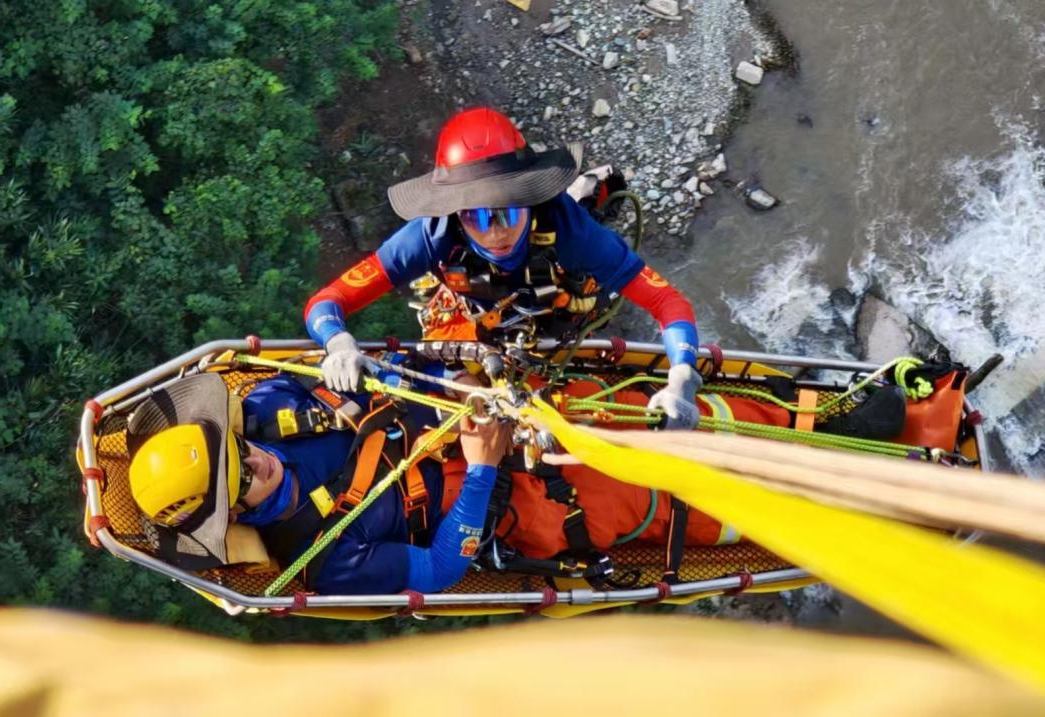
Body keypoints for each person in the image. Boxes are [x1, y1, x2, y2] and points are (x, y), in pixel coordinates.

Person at [127, 374, 745, 595]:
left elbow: (368, 385)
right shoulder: (323, 557)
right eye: (242, 478)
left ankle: (788, 423)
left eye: (238, 449)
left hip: (471, 418)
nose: (258, 460)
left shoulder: (271, 405)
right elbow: (443, 569)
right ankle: (771, 503)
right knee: (624, 499)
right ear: (231, 513)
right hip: (503, 500)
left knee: (608, 409)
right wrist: (480, 471)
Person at [304, 107, 704, 429]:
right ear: (455, 214)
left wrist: (683, 375)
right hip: (478, 316)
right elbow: (328, 301)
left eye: (508, 212)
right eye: (476, 218)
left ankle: (585, 194)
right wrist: (338, 342)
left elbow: (665, 300)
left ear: (530, 201)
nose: (495, 233)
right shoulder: (430, 234)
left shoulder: (567, 228)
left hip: (555, 312)